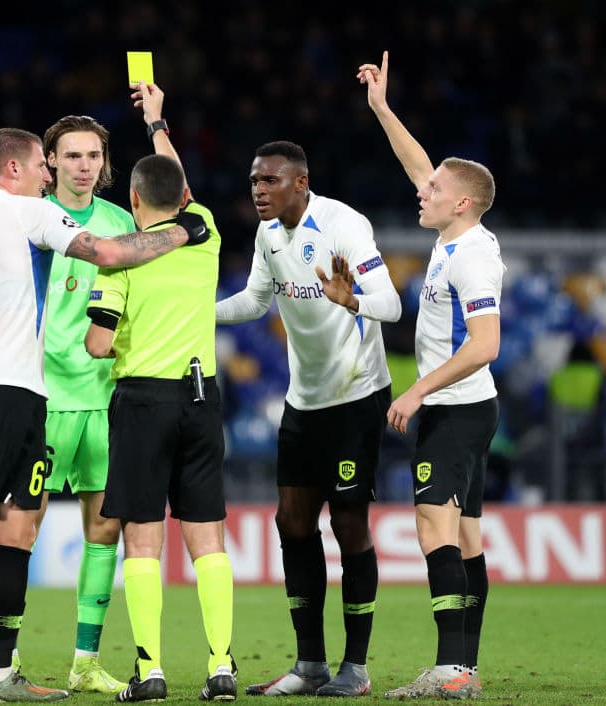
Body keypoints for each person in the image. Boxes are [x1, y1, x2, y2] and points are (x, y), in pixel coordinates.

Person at [0, 126, 209, 704]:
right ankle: (1, 672)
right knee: (15, 535)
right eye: (42, 167)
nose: (49, 177)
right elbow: (107, 253)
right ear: (14, 171)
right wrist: (186, 230)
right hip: (14, 392)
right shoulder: (27, 213)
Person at [215, 140, 403, 697]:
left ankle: (357, 668)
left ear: (300, 182)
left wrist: (353, 301)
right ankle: (310, 665)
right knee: (292, 523)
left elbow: (390, 305)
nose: (258, 191)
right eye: (254, 181)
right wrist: (194, 313)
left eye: (269, 181)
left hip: (355, 395)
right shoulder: (267, 234)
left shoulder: (344, 224)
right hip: (305, 400)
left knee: (347, 525)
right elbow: (253, 300)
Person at [85, 81, 236, 703]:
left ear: (133, 197)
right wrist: (155, 121)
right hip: (203, 398)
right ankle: (221, 667)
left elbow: (97, 345)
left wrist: (110, 339)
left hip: (143, 401)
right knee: (207, 538)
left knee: (142, 538)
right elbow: (180, 186)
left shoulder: (117, 260)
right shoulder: (205, 233)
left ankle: (149, 672)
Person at [358, 51, 502, 701]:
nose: (424, 190)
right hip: (468, 409)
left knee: (431, 527)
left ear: (462, 203)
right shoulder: (453, 234)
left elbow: (487, 344)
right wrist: (383, 109)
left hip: (457, 408)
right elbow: (420, 164)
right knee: (465, 535)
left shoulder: (472, 258)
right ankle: (463, 670)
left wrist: (417, 389)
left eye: (436, 190)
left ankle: (450, 670)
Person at [16, 113, 136, 694]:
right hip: (44, 397)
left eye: (93, 156)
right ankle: (3, 658)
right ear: (52, 162)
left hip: (105, 398)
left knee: (105, 529)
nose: (84, 166)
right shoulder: (32, 221)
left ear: (103, 163)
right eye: (72, 156)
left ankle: (84, 661)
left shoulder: (120, 223)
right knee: (23, 528)